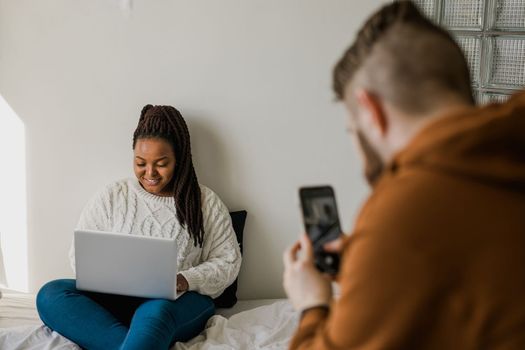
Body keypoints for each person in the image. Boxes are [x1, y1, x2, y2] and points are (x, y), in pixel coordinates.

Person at [283, 1, 525, 349]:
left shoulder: (400, 213)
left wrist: (312, 304)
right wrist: (366, 261)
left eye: (352, 131)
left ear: (371, 111)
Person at [37, 105, 242, 350]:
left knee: (155, 313)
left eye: (161, 163)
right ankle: (138, 343)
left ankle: (142, 339)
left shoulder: (204, 202)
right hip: (116, 299)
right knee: (51, 293)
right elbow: (79, 256)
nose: (150, 172)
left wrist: (184, 280)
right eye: (140, 163)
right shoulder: (113, 195)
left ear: (179, 158)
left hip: (173, 303)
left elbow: (228, 261)